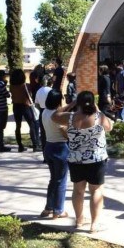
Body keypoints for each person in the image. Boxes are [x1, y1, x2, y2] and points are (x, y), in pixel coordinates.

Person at [52, 91, 112, 232]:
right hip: (96, 159)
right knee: (96, 191)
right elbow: (109, 127)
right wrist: (96, 108)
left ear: (78, 102)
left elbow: (54, 116)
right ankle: (94, 224)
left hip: (76, 160)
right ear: (92, 102)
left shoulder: (70, 118)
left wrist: (71, 104)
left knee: (78, 191)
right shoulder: (99, 117)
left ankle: (79, 220)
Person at [40, 90, 69, 219]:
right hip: (60, 148)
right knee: (61, 180)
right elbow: (64, 133)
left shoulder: (45, 112)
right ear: (58, 101)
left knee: (53, 179)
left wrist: (72, 103)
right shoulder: (58, 116)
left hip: (48, 147)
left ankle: (48, 208)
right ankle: (58, 210)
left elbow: (61, 109)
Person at [9, 68, 41, 152]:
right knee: (32, 125)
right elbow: (30, 95)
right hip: (26, 106)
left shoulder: (11, 86)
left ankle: (20, 145)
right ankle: (35, 145)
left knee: (18, 126)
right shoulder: (26, 86)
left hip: (16, 106)